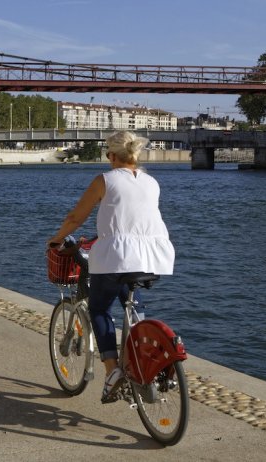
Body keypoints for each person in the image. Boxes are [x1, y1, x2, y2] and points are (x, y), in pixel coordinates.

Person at [47, 130, 175, 403]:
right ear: (135, 155)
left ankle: (112, 370)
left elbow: (75, 218)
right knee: (134, 307)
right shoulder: (152, 182)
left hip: (116, 256)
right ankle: (139, 362)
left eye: (107, 154)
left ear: (113, 156)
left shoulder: (104, 180)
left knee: (99, 308)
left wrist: (56, 240)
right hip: (153, 257)